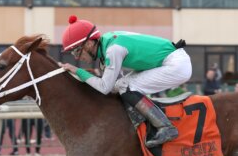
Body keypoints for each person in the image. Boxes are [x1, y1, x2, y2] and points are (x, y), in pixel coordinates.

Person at [60, 15, 192, 148]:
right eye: (73, 54)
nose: (77, 57)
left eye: (77, 51)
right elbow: (112, 86)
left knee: (126, 86)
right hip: (168, 61)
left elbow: (104, 88)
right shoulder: (107, 42)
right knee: (121, 85)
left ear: (89, 43)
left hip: (176, 65)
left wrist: (78, 71)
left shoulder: (113, 50)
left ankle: (166, 127)